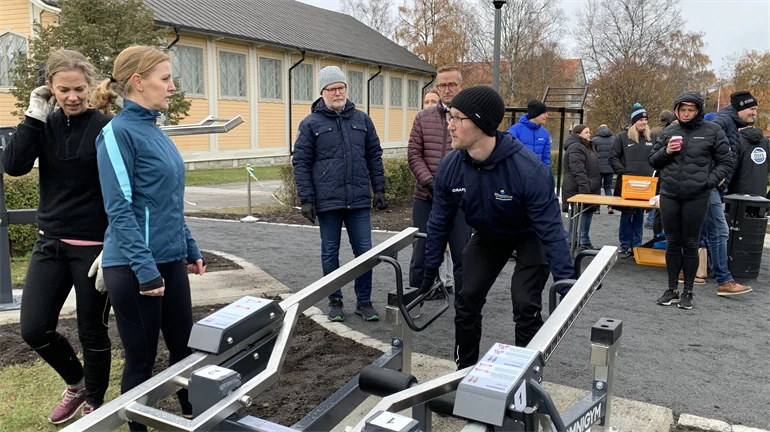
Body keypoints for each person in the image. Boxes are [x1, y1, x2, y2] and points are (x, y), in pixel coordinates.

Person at [419, 86, 575, 369]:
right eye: (449, 117)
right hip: (490, 233)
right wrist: (429, 270)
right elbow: (439, 222)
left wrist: (567, 287)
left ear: (481, 124)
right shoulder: (451, 166)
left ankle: (526, 378)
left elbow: (552, 232)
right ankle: (464, 372)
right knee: (467, 299)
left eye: (457, 118)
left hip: (531, 234)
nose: (449, 125)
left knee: (525, 304)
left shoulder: (528, 170)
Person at [92, 45, 206, 431]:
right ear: (138, 82)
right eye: (165, 79)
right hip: (134, 268)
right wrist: (145, 269)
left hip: (169, 261)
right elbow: (119, 208)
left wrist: (188, 247)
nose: (172, 86)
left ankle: (193, 419)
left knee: (186, 351)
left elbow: (167, 201)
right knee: (141, 361)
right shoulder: (116, 133)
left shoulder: (155, 131)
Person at [0, 48, 112, 423]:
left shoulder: (106, 126)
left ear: (90, 85)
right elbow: (14, 166)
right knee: (34, 328)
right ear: (49, 87)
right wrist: (33, 115)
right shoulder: (42, 124)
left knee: (92, 332)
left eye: (79, 89)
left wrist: (114, 242)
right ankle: (77, 385)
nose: (73, 97)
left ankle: (95, 402)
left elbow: (124, 189)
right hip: (50, 243)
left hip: (94, 248)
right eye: (63, 90)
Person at [293, 66, 388, 322]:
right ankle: (334, 301)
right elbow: (301, 162)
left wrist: (379, 188)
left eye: (341, 87)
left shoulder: (362, 120)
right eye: (332, 89)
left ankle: (364, 301)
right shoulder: (310, 124)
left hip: (358, 199)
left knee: (365, 252)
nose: (338, 93)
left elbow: (374, 155)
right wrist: (306, 199)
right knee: (330, 252)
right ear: (322, 92)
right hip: (328, 201)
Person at [649, 91, 733, 310]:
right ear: (676, 110)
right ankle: (671, 288)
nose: (686, 114)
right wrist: (666, 151)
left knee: (690, 243)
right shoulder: (669, 131)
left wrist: (709, 181)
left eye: (691, 110)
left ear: (698, 111)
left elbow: (726, 161)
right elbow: (653, 161)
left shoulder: (712, 131)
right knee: (672, 242)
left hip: (697, 195)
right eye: (682, 110)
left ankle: (688, 291)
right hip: (670, 193)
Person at [407, 65, 471, 300]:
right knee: (421, 252)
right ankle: (415, 302)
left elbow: (476, 154)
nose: (447, 89)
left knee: (463, 254)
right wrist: (430, 183)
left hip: (460, 199)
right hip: (426, 197)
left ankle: (465, 306)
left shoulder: (471, 118)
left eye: (451, 84)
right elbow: (414, 154)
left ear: (460, 86)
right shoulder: (423, 118)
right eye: (442, 85)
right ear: (437, 87)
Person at [704, 91, 757, 295]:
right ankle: (724, 280)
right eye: (752, 109)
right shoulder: (723, 122)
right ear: (740, 108)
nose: (754, 113)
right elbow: (706, 146)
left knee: (703, 231)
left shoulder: (730, 123)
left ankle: (690, 272)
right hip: (710, 186)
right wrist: (716, 173)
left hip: (713, 185)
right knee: (720, 231)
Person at [609, 103, 656, 256]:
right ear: (634, 121)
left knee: (639, 214)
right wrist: (623, 172)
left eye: (646, 120)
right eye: (641, 120)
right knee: (626, 214)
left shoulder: (652, 137)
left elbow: (657, 157)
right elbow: (613, 157)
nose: (644, 122)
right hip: (627, 184)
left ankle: (636, 246)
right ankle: (624, 245)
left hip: (646, 185)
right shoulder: (622, 137)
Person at [562, 125, 601, 250]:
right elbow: (578, 170)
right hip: (577, 187)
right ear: (578, 134)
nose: (589, 134)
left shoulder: (587, 146)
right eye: (586, 132)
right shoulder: (576, 147)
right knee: (575, 213)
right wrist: (585, 188)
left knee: (587, 212)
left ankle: (583, 240)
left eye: (589, 131)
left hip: (587, 186)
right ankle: (573, 240)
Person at [647, 110, 676, 227]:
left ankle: (651, 220)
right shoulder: (667, 133)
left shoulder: (652, 131)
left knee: (656, 195)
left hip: (657, 168)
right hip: (665, 168)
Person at [507, 99, 551, 166]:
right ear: (536, 114)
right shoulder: (515, 131)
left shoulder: (545, 133)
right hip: (519, 171)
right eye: (544, 113)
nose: (547, 116)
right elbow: (509, 155)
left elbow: (546, 159)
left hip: (538, 172)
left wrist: (547, 172)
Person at [727, 126, 769, 197]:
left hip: (737, 195)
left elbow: (731, 168)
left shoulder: (737, 141)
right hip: (760, 194)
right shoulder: (766, 142)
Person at [593, 124, 615, 214]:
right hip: (610, 167)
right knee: (608, 187)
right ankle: (610, 207)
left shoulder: (594, 140)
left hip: (598, 168)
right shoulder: (614, 139)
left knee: (597, 188)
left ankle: (597, 209)